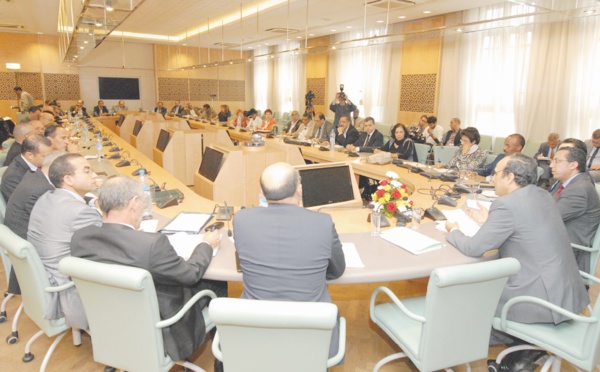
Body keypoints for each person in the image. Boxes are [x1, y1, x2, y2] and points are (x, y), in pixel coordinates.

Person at [445, 153, 589, 369]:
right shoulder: (542, 194)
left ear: (510, 177)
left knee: (471, 295)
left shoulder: (506, 205)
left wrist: (453, 230)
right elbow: (526, 224)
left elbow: (474, 248)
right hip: (567, 294)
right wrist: (490, 221)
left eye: (496, 174)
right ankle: (523, 352)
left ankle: (520, 350)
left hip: (539, 300)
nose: (493, 178)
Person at [70, 176, 227, 364]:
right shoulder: (151, 244)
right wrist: (205, 245)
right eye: (144, 203)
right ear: (134, 203)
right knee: (216, 283)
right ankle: (221, 360)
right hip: (161, 322)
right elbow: (190, 274)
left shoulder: (80, 238)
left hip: (110, 320)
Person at [233, 162, 345, 359]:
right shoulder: (322, 222)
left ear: (262, 192)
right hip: (312, 332)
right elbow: (337, 271)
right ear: (300, 190)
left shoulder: (241, 219)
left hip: (255, 329)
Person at [28, 153, 102, 330]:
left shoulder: (47, 197)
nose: (94, 175)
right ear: (68, 179)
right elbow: (108, 247)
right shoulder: (79, 212)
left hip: (48, 280)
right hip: (70, 292)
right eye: (87, 171)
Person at [550, 147, 600, 273]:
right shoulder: (567, 184)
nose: (551, 165)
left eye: (557, 161)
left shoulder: (579, 189)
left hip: (568, 252)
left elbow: (547, 216)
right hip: (557, 241)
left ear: (573, 165)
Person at [5, 150, 63, 240]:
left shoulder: (35, 176)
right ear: (58, 169)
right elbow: (56, 221)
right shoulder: (42, 188)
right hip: (33, 241)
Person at [1, 134, 52, 202]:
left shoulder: (33, 163)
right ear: (30, 155)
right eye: (46, 156)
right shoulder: (13, 176)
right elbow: (25, 203)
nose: (50, 159)